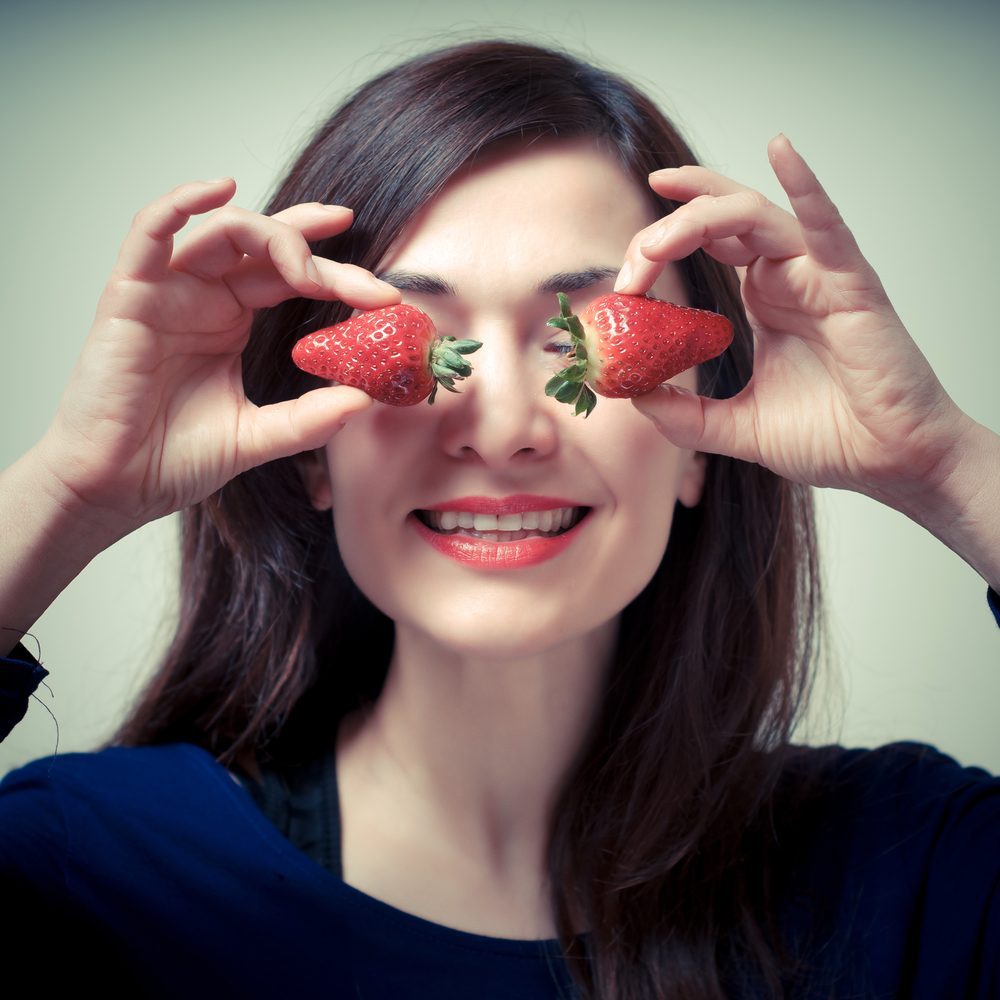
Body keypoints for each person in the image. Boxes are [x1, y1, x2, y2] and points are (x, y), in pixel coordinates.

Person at [1, 39, 998, 999]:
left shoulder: (912, 868)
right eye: (415, 343)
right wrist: (69, 489)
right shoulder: (86, 870)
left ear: (705, 443)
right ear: (309, 452)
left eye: (583, 339)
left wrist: (943, 461)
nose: (504, 427)